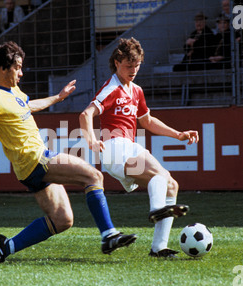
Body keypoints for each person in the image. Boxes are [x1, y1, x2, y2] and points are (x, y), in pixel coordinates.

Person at [0, 41, 137, 264]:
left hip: (28, 169)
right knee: (93, 176)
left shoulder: (11, 90)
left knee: (62, 219)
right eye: (17, 67)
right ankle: (108, 235)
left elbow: (28, 105)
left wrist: (58, 97)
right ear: (3, 68)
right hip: (36, 159)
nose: (21, 72)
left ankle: (5, 247)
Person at [80, 38, 199, 259]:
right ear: (117, 62)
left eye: (137, 65)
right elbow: (85, 114)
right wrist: (91, 140)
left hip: (130, 147)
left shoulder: (136, 91)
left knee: (171, 185)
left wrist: (178, 134)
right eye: (128, 65)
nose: (133, 70)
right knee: (160, 176)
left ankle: (158, 248)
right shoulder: (111, 88)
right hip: (114, 148)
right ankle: (156, 210)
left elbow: (147, 121)